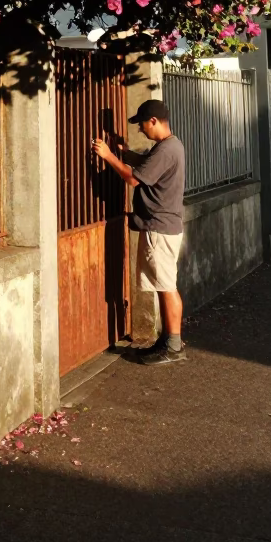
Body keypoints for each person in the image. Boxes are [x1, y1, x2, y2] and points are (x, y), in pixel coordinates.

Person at [92, 98, 186, 366]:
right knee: (164, 285)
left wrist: (108, 155)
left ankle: (173, 345)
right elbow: (147, 164)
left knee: (167, 287)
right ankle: (168, 341)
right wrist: (126, 153)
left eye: (143, 124)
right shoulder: (169, 146)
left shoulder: (166, 150)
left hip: (159, 228)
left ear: (154, 121)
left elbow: (134, 178)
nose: (141, 129)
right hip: (163, 227)